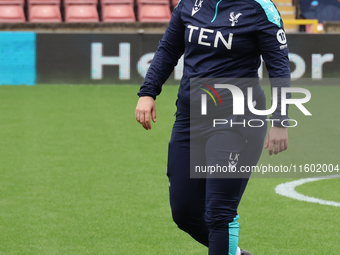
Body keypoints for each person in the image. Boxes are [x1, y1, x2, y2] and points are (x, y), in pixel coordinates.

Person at [135, 0, 290, 254]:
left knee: (220, 213)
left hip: (238, 119)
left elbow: (279, 67)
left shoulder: (261, 8)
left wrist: (280, 120)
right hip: (190, 117)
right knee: (184, 213)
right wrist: (148, 92)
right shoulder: (189, 3)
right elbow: (168, 49)